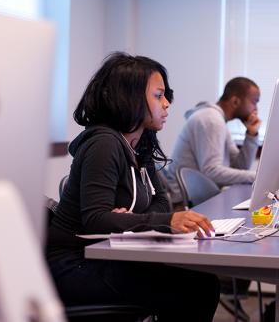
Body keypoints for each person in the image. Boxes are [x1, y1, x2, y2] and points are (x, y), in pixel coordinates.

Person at [45, 52, 220, 321]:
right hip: (74, 264)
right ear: (130, 97)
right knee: (197, 288)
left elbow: (162, 201)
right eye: (159, 95)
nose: (168, 104)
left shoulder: (141, 144)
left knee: (202, 284)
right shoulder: (103, 144)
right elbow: (95, 220)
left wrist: (132, 219)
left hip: (108, 255)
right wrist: (163, 221)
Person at [163, 77, 262, 208]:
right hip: (184, 205)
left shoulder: (218, 120)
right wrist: (256, 177)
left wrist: (251, 135)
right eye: (254, 102)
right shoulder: (211, 120)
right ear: (235, 101)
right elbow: (211, 171)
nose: (256, 109)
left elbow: (240, 166)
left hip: (201, 198)